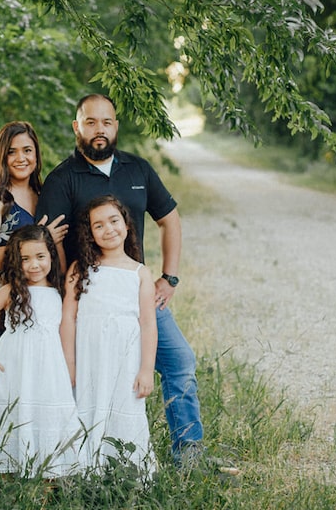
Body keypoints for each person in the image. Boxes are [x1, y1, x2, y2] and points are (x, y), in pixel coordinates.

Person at [35, 94, 210, 467]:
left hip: (138, 293)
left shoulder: (138, 169)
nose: (100, 130)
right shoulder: (62, 179)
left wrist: (169, 278)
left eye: (107, 122)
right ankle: (88, 459)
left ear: (116, 125)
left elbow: (170, 220)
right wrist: (71, 288)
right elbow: (49, 242)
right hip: (89, 301)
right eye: (91, 122)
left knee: (179, 362)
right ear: (77, 127)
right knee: (92, 382)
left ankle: (189, 455)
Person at [0, 121, 66, 440]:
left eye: (27, 150)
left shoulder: (44, 195)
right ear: (1, 156)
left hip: (36, 302)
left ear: (37, 153)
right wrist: (38, 242)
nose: (21, 158)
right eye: (12, 152)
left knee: (30, 384)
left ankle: (28, 456)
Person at [0, 224, 83, 478]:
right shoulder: (11, 290)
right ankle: (7, 476)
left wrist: (69, 368)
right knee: (14, 414)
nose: (34, 265)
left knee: (46, 413)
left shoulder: (59, 291)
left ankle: (48, 476)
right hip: (13, 366)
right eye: (25, 259)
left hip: (48, 367)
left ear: (51, 256)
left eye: (40, 257)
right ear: (15, 261)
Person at [61, 195, 157, 477]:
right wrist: (69, 362)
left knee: (124, 408)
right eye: (98, 225)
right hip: (88, 356)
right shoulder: (80, 269)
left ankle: (127, 474)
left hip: (125, 358)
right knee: (86, 407)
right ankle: (83, 472)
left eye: (114, 221)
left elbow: (149, 324)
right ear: (90, 233)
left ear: (126, 225)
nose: (108, 229)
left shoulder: (140, 273)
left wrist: (146, 370)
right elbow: (68, 316)